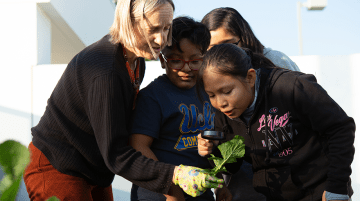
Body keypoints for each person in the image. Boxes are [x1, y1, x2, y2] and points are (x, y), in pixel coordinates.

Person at [23, 1, 223, 200]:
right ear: (128, 22)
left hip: (93, 169)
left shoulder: (137, 61)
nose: (161, 40)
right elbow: (117, 154)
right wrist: (174, 176)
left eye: (166, 28)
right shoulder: (105, 71)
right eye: (153, 29)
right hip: (57, 163)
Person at [197, 43, 355, 201]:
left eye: (227, 92)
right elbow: (233, 165)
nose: (220, 103)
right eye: (211, 95)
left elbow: (340, 128)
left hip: (321, 193)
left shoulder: (290, 88)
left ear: (250, 78)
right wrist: (213, 151)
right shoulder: (224, 115)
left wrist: (336, 188)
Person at [201, 7, 300, 200]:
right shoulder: (209, 77)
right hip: (242, 183)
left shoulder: (275, 61)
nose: (222, 53)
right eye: (212, 49)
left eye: (228, 44)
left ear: (244, 37)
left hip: (288, 178)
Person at [129, 16, 230, 201]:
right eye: (176, 61)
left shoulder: (210, 94)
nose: (186, 68)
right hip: (159, 194)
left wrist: (221, 184)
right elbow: (138, 146)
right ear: (162, 60)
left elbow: (213, 146)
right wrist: (169, 189)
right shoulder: (152, 96)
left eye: (195, 61)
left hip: (201, 193)